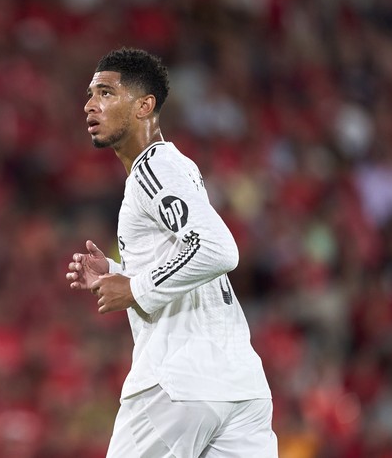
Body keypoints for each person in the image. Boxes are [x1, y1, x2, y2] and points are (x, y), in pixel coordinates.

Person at [65, 47, 277, 457]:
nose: (90, 104)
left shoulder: (152, 170)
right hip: (241, 387)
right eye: (90, 94)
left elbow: (217, 249)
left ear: (145, 106)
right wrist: (117, 270)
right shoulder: (177, 166)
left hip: (178, 383)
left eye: (106, 93)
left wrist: (136, 288)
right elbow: (190, 254)